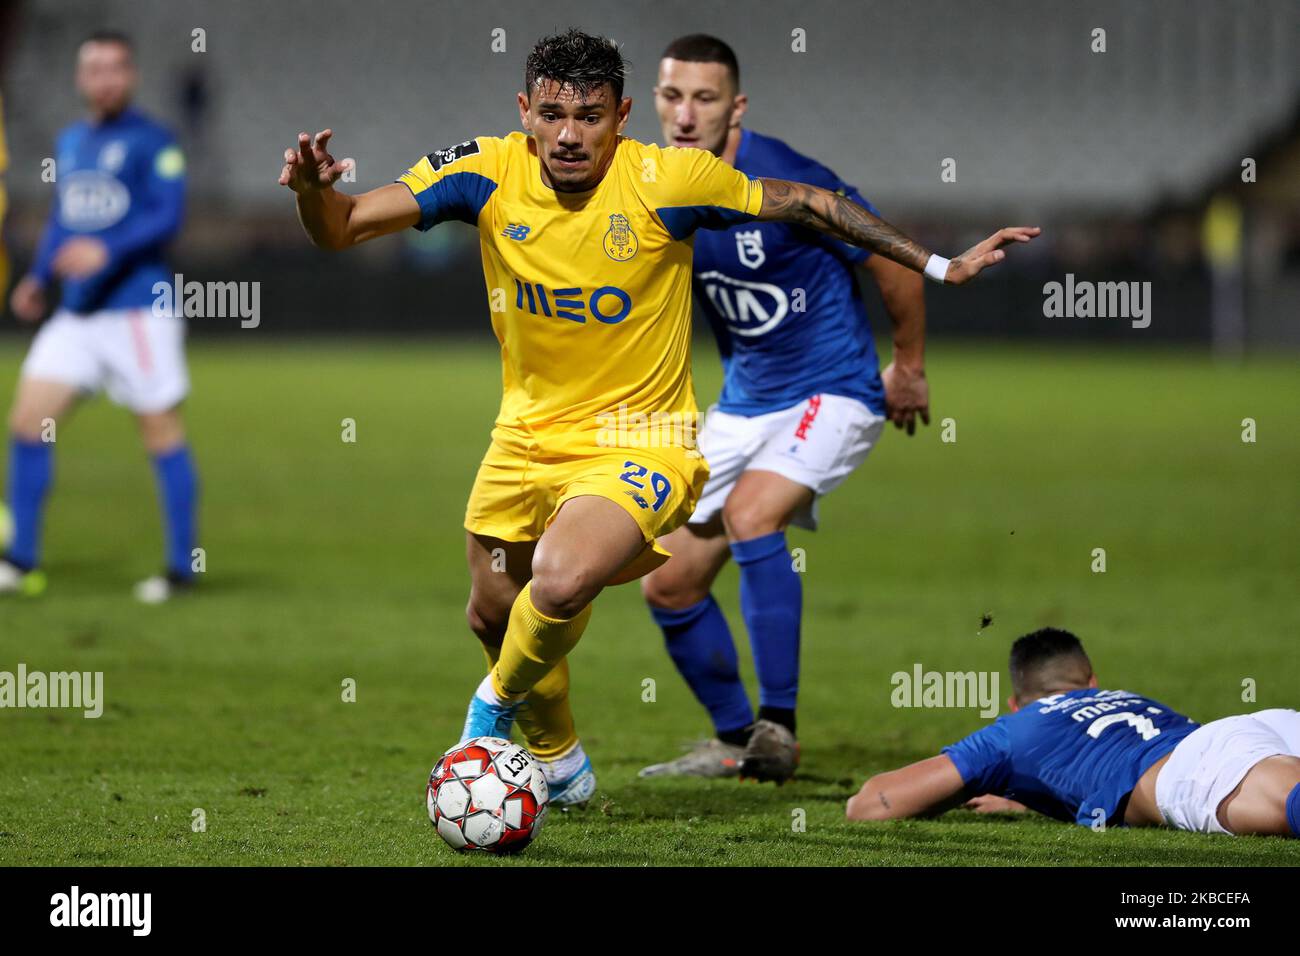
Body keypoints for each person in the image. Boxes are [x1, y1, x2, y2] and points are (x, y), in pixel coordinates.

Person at [279, 29, 1037, 806]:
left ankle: (487, 716)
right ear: (525, 112)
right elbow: (341, 226)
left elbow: (811, 204)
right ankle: (560, 757)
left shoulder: (668, 180)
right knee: (492, 609)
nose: (570, 135)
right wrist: (312, 191)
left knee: (563, 576)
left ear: (621, 116)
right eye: (551, 114)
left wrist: (944, 265)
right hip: (525, 436)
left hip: (645, 439)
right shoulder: (483, 169)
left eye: (591, 116)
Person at [639, 34, 930, 782]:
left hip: (831, 389)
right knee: (666, 579)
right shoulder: (656, 186)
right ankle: (737, 741)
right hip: (743, 405)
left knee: (752, 516)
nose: (684, 113)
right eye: (672, 96)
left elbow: (896, 262)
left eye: (704, 98)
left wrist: (907, 366)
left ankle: (780, 728)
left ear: (735, 107)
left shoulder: (790, 178)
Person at [3, 31, 198, 604]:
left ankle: (180, 568)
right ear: (80, 78)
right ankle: (21, 560)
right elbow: (66, 221)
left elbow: (169, 216)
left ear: (130, 76)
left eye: (116, 68)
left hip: (138, 311)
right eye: (95, 68)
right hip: (79, 314)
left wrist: (107, 251)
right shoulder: (71, 142)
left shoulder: (155, 141)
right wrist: (39, 278)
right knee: (26, 423)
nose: (106, 78)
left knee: (160, 433)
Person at [846, 628, 1300, 839]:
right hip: (1256, 729)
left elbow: (871, 805)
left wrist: (981, 774)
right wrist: (1021, 794)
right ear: (1092, 682)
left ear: (1014, 703)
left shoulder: (1009, 734)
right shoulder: (1130, 696)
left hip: (1200, 770)